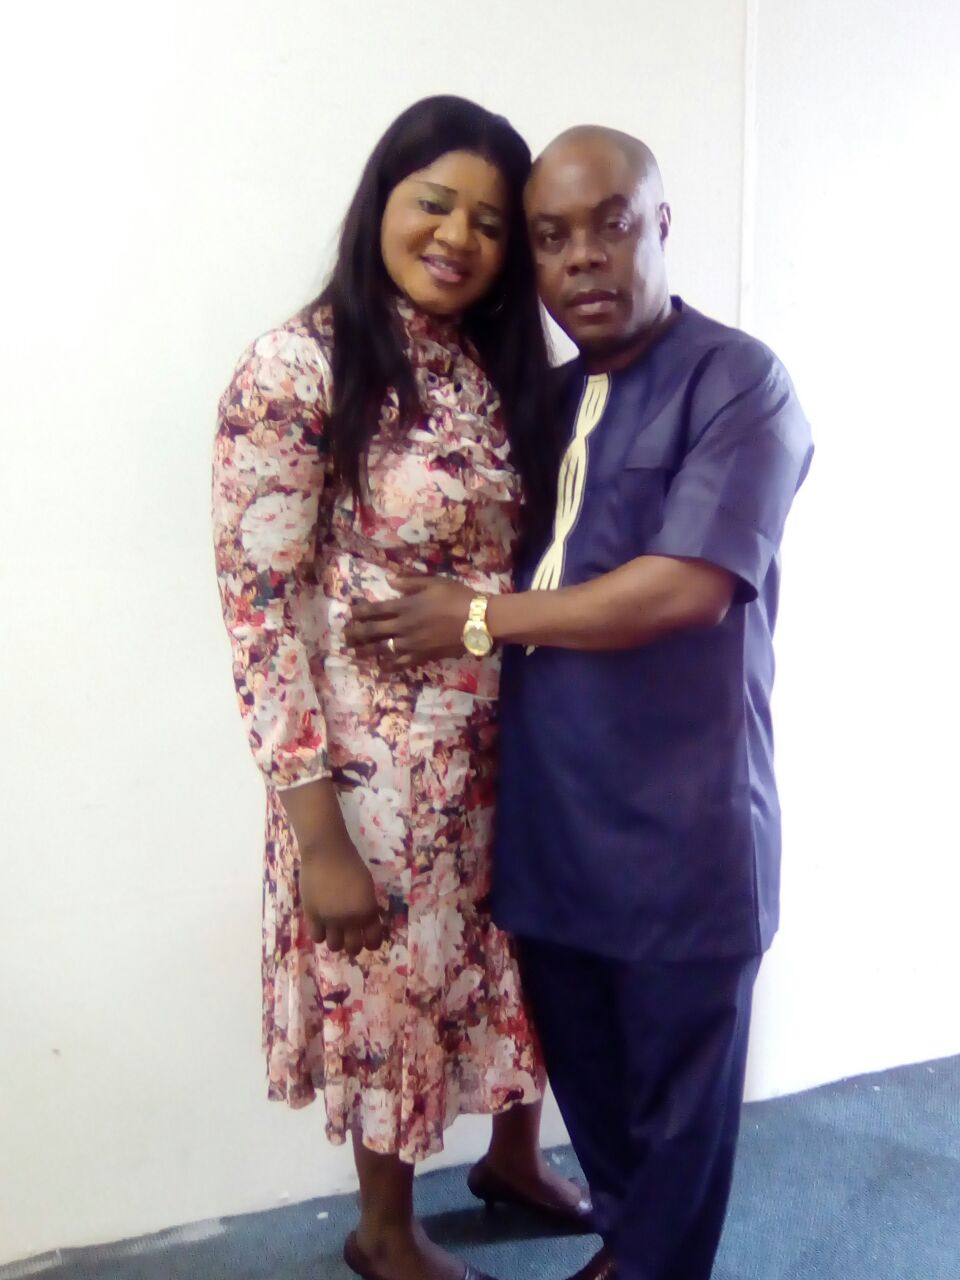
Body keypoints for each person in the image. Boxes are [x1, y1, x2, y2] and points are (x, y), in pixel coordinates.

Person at [346, 125, 814, 1280]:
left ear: (662, 226)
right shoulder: (540, 405)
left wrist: (478, 615)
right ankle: (632, 1247)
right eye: (551, 237)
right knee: (597, 1094)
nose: (583, 258)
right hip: (551, 834)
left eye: (611, 224)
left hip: (684, 836)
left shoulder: (737, 382)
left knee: (679, 1112)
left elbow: (688, 585)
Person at [212, 97, 590, 1280]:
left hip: (513, 746)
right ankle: (385, 1230)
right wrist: (318, 833)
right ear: (383, 199)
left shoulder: (494, 363)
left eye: (490, 220)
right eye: (435, 203)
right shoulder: (299, 366)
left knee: (525, 963)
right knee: (395, 989)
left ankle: (513, 1157)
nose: (457, 237)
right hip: (380, 776)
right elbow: (260, 610)